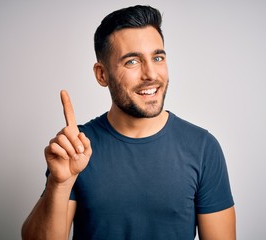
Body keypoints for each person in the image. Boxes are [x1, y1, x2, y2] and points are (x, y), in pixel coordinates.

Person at [21, 5, 235, 240]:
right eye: (132, 61)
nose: (151, 74)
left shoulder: (203, 147)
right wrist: (59, 183)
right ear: (102, 74)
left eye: (157, 57)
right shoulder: (78, 147)